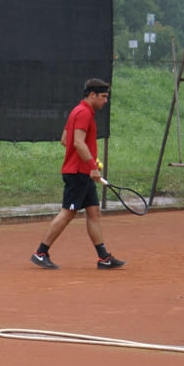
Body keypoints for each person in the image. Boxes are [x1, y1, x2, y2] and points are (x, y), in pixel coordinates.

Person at [30, 78, 125, 270]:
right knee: (68, 213)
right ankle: (40, 253)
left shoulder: (77, 111)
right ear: (92, 95)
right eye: (103, 97)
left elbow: (65, 139)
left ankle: (104, 258)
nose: (105, 101)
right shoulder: (84, 114)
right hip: (77, 173)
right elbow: (77, 142)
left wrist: (88, 160)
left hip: (83, 172)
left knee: (93, 212)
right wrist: (92, 165)